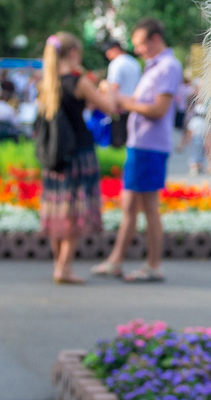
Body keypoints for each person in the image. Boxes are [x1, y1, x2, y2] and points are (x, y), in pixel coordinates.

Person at [91, 18, 182, 282]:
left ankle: (152, 265)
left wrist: (122, 101)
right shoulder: (156, 66)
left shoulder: (167, 66)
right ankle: (116, 260)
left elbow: (157, 109)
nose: (138, 50)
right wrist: (125, 102)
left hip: (149, 145)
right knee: (130, 205)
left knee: (148, 207)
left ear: (155, 39)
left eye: (141, 44)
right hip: (141, 143)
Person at [37, 33, 117, 284]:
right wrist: (109, 89)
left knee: (57, 210)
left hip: (55, 156)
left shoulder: (47, 82)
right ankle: (65, 267)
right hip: (79, 153)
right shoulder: (78, 81)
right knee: (73, 213)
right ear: (73, 54)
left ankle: (57, 264)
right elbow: (109, 108)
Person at [102, 39, 141, 148]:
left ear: (115, 49)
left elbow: (113, 88)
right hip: (134, 107)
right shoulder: (134, 62)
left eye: (108, 52)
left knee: (118, 145)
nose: (108, 56)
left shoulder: (116, 64)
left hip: (120, 109)